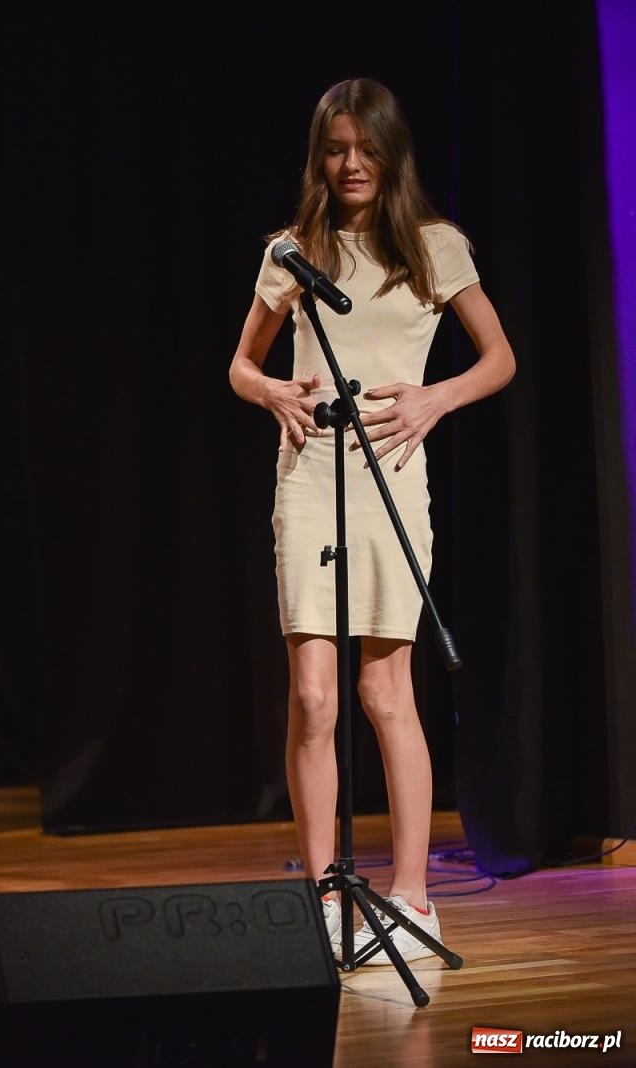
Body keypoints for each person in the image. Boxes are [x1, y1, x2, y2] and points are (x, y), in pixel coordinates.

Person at [227, 78, 515, 962]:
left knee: (385, 692)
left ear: (391, 153)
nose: (351, 164)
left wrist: (435, 400)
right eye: (335, 148)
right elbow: (241, 364)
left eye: (365, 147)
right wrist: (270, 387)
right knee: (313, 697)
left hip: (392, 477)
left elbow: (500, 357)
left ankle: (413, 898)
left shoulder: (436, 247)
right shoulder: (292, 251)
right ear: (319, 156)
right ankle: (321, 897)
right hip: (311, 475)